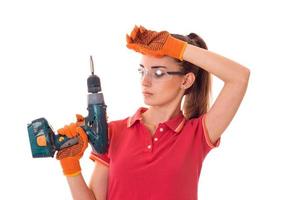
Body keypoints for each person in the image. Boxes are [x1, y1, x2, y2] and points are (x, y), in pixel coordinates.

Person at [56, 25, 250, 200]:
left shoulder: (197, 134)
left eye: (158, 73)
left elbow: (239, 77)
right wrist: (70, 165)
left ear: (186, 81)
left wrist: (174, 47)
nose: (145, 81)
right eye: (142, 71)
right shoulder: (114, 132)